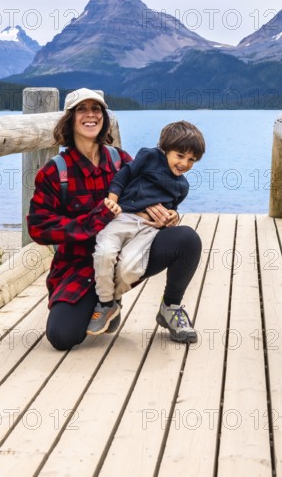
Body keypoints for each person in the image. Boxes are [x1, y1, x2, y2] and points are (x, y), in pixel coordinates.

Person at [27, 88, 203, 351]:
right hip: (77, 265)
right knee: (62, 336)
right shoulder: (55, 171)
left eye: (96, 109)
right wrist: (96, 219)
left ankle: (170, 307)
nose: (90, 115)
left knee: (187, 239)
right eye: (81, 110)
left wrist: (168, 214)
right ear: (70, 119)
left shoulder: (120, 159)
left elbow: (153, 189)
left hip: (126, 253)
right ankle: (107, 304)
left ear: (104, 118)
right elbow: (39, 228)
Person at [87, 120, 205, 337]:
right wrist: (112, 201)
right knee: (104, 253)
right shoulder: (149, 157)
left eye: (192, 160)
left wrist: (173, 216)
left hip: (148, 230)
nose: (185, 164)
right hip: (122, 219)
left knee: (131, 269)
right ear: (165, 150)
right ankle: (105, 304)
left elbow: (171, 209)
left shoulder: (182, 186)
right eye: (180, 156)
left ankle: (168, 308)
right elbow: (123, 176)